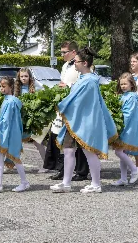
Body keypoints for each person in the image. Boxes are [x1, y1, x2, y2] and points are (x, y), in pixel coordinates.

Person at [50, 47, 117, 194]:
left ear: (85, 63)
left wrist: (62, 105)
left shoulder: (90, 81)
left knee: (89, 152)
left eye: (76, 61)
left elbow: (78, 102)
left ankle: (96, 184)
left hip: (86, 122)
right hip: (74, 121)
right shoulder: (82, 79)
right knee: (68, 150)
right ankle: (66, 183)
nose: (74, 64)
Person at [46, 41, 90, 182]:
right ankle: (63, 169)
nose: (62, 55)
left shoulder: (82, 65)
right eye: (61, 52)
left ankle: (82, 171)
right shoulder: (65, 65)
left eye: (64, 52)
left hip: (77, 105)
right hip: (66, 104)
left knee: (78, 139)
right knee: (60, 136)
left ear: (73, 52)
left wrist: (68, 86)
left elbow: (84, 83)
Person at [0, 77, 30, 193]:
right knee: (0, 156)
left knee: (15, 157)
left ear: (11, 87)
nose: (1, 89)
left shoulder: (10, 102)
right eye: (0, 86)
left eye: (4, 87)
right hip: (7, 132)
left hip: (10, 133)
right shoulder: (8, 100)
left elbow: (5, 120)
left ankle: (24, 182)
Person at [111, 72, 138, 186]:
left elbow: (128, 114)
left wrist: (119, 125)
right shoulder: (123, 96)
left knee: (119, 151)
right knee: (123, 153)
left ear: (132, 85)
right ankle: (123, 178)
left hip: (129, 128)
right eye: (121, 84)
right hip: (125, 128)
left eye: (125, 84)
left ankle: (134, 169)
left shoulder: (132, 97)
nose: (123, 86)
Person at [13, 68, 47, 173]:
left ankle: (46, 165)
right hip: (20, 118)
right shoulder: (16, 88)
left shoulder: (36, 86)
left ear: (30, 77)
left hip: (33, 119)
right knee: (15, 141)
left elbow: (42, 98)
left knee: (37, 142)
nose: (24, 78)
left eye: (26, 76)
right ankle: (10, 163)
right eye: (22, 76)